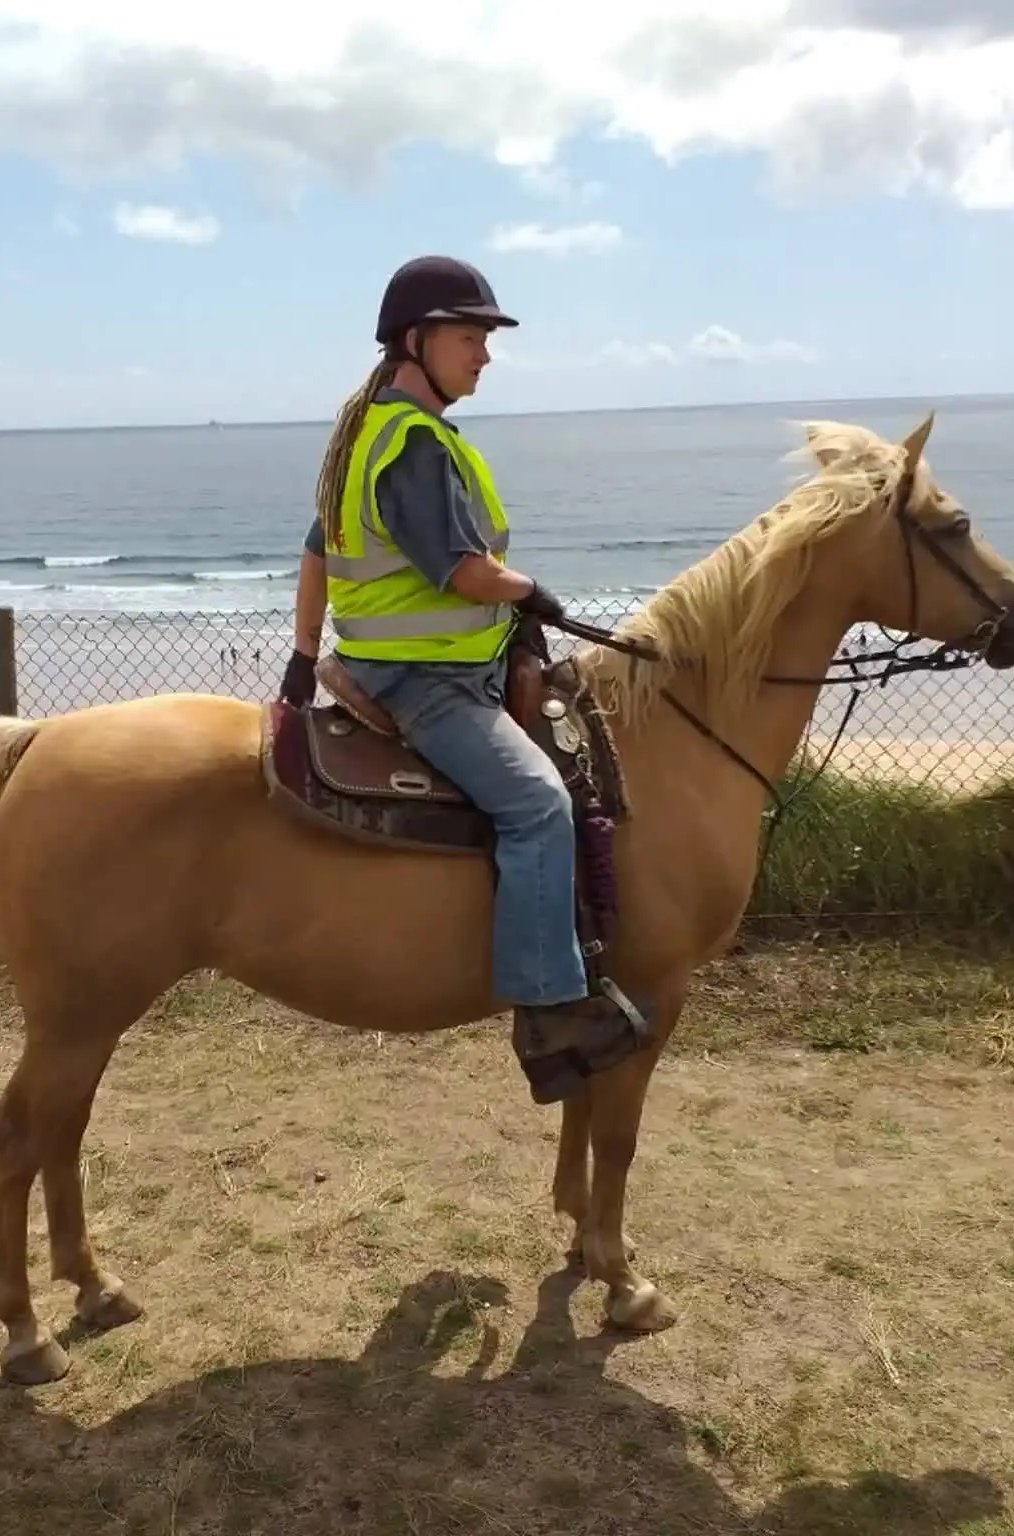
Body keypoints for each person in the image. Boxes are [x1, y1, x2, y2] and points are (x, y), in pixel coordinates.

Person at [277, 254, 646, 1104]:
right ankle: (550, 1012)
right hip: (426, 683)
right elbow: (461, 571)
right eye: (470, 336)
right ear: (418, 341)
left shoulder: (374, 433)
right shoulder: (408, 442)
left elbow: (313, 553)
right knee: (537, 805)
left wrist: (304, 655)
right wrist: (529, 591)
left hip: (431, 665)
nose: (485, 354)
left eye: (486, 337)